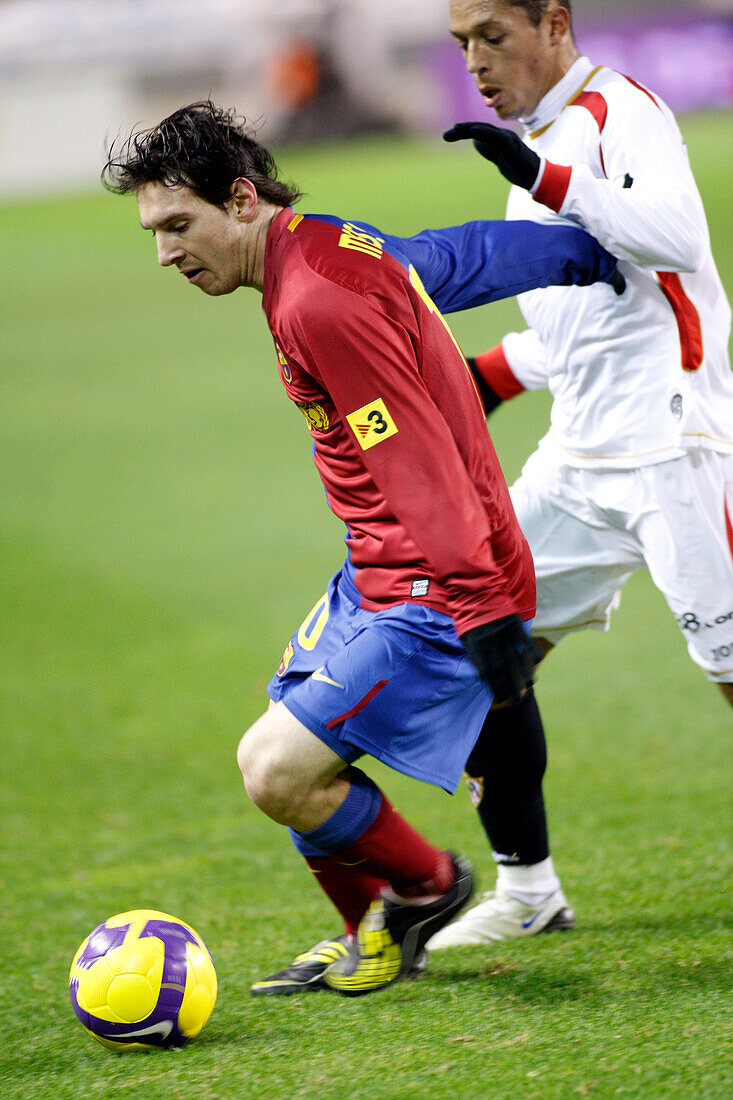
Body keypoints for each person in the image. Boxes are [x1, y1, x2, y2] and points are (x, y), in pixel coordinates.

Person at [102, 100, 624, 995]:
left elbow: (416, 461)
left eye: (178, 225)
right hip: (380, 570)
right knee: (286, 745)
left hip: (430, 585)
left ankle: (426, 888)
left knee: (276, 770)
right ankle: (373, 938)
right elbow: (447, 259)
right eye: (153, 231)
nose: (165, 253)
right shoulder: (327, 243)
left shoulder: (314, 304)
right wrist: (575, 254)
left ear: (239, 199)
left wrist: (482, 606)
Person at [425, 0, 733, 951]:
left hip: (674, 449)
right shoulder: (540, 143)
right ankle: (527, 890)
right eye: (460, 44)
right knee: (475, 650)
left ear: (553, 22)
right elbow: (591, 318)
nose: (475, 61)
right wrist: (488, 377)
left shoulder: (616, 113)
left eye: (493, 36)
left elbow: (673, 241)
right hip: (578, 460)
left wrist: (542, 175)